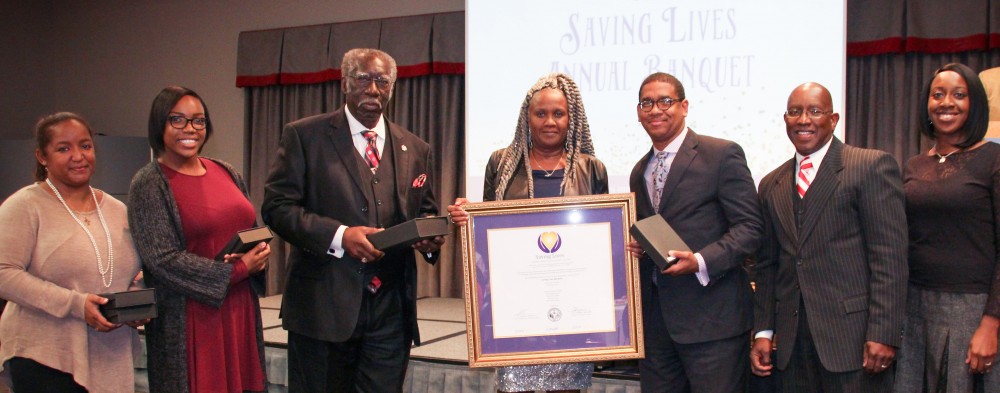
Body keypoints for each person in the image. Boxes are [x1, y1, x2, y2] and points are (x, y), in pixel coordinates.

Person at [261, 48, 442, 393]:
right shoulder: (305, 136)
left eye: (382, 81)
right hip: (322, 309)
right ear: (345, 83)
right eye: (363, 78)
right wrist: (340, 236)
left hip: (391, 314)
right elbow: (278, 208)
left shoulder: (416, 148)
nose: (373, 89)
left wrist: (429, 239)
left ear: (392, 88)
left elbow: (424, 211)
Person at [448, 72, 608, 392]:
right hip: (516, 307)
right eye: (541, 113)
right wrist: (470, 219)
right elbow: (488, 235)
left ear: (570, 117)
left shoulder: (592, 167)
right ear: (528, 117)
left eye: (558, 113)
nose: (550, 121)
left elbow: (603, 240)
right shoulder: (501, 163)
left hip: (572, 308)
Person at [751, 82, 908, 392]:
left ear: (833, 119)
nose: (803, 120)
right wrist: (763, 331)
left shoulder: (869, 167)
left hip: (854, 343)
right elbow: (769, 265)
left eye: (814, 111)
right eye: (794, 112)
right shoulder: (771, 184)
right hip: (793, 346)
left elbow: (889, 258)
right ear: (786, 120)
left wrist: (884, 333)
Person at [623, 72, 763, 393]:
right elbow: (654, 230)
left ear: (684, 106)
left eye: (665, 101)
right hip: (656, 326)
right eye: (647, 103)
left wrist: (700, 260)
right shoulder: (638, 171)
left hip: (714, 322)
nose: (655, 109)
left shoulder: (722, 155)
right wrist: (643, 248)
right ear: (638, 112)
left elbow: (751, 229)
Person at [128, 86, 271, 393]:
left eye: (198, 120)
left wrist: (258, 255)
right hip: (190, 318)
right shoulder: (149, 182)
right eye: (177, 120)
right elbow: (162, 259)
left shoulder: (225, 170)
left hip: (239, 308)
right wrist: (237, 270)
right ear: (159, 125)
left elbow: (249, 228)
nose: (190, 129)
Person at [0, 112, 144, 392]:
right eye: (63, 148)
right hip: (46, 358)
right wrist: (75, 304)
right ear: (42, 157)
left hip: (110, 356)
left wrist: (134, 303)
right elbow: (4, 274)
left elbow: (132, 273)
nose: (78, 156)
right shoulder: (25, 206)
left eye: (85, 146)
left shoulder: (118, 210)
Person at [893, 63, 1000, 392]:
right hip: (914, 308)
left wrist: (991, 324)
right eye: (937, 95)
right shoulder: (914, 164)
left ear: (975, 104)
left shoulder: (993, 158)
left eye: (959, 95)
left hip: (972, 308)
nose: (946, 103)